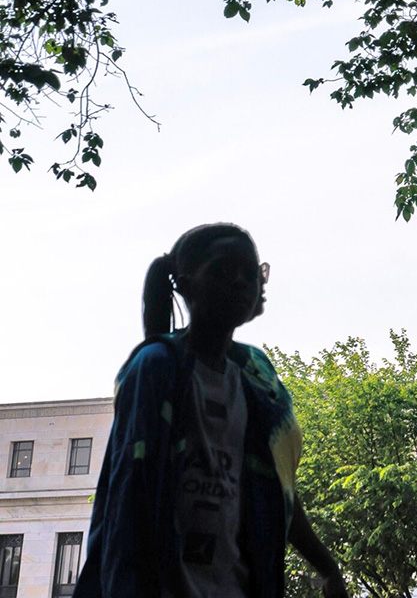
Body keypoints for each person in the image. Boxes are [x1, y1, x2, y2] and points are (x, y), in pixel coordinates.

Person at [76, 223, 348, 598]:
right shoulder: (156, 367)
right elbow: (129, 494)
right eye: (222, 270)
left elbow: (278, 488)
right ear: (185, 285)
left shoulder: (257, 379)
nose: (240, 281)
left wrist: (327, 567)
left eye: (250, 273)